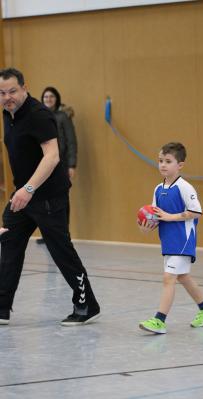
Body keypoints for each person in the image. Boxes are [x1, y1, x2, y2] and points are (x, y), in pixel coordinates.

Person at [0, 68, 100, 326]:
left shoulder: (38, 115)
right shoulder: (8, 114)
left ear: (24, 87)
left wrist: (28, 189)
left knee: (60, 251)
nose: (7, 97)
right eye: (1, 93)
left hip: (48, 196)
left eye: (12, 91)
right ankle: (2, 307)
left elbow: (52, 156)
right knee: (9, 241)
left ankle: (86, 304)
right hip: (24, 195)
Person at [138, 142, 203, 334]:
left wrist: (170, 217)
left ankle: (159, 320)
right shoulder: (158, 188)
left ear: (180, 165)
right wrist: (146, 227)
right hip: (168, 240)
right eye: (160, 161)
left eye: (168, 161)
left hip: (183, 239)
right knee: (183, 276)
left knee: (169, 278)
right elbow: (157, 215)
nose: (163, 165)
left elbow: (196, 212)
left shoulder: (184, 187)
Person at [36, 86, 77, 244]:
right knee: (44, 200)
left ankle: (63, 233)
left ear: (56, 99)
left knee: (62, 199)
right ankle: (48, 234)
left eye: (51, 96)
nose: (48, 99)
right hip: (43, 165)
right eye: (45, 97)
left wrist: (72, 165)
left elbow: (71, 142)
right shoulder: (39, 117)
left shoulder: (63, 117)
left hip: (61, 164)